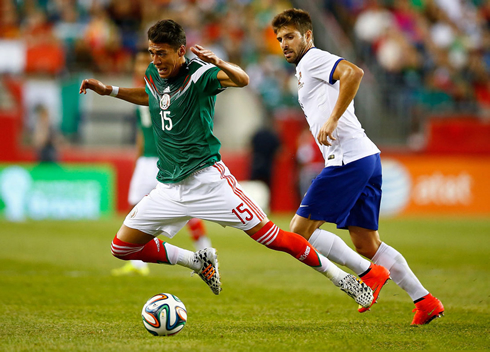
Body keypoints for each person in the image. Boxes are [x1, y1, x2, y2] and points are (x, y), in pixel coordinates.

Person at [80, 19, 374, 308]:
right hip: (168, 185)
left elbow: (242, 79)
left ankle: (343, 279)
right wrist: (110, 90)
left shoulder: (200, 74)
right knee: (123, 247)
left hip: (208, 181)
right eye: (152, 52)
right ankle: (197, 261)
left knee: (274, 238)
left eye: (162, 53)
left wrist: (218, 61)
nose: (155, 59)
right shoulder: (153, 73)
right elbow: (153, 97)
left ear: (181, 51)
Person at [272, 8, 444, 325]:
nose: (284, 43)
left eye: (290, 36)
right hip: (365, 157)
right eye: (280, 38)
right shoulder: (303, 68)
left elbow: (354, 73)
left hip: (348, 159)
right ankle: (426, 301)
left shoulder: (313, 59)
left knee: (299, 233)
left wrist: (333, 119)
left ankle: (369, 274)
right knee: (367, 243)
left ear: (307, 36)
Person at [112, 49, 212, 277]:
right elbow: (141, 130)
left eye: (142, 63)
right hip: (145, 160)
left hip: (164, 158)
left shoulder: (165, 91)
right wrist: (137, 157)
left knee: (186, 208)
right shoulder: (141, 92)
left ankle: (204, 251)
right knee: (135, 209)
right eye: (137, 63)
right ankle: (138, 264)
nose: (139, 68)